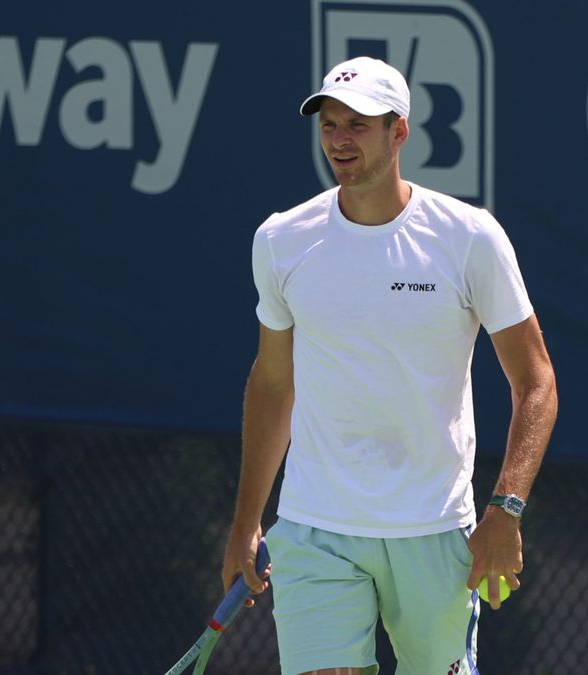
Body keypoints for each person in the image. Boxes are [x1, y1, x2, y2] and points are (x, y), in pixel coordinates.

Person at [220, 56, 558, 675]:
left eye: (359, 124)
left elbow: (535, 382)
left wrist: (505, 509)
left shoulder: (470, 238)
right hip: (315, 526)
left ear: (398, 132)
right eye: (330, 124)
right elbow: (273, 383)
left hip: (433, 529)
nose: (340, 140)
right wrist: (247, 521)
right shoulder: (281, 240)